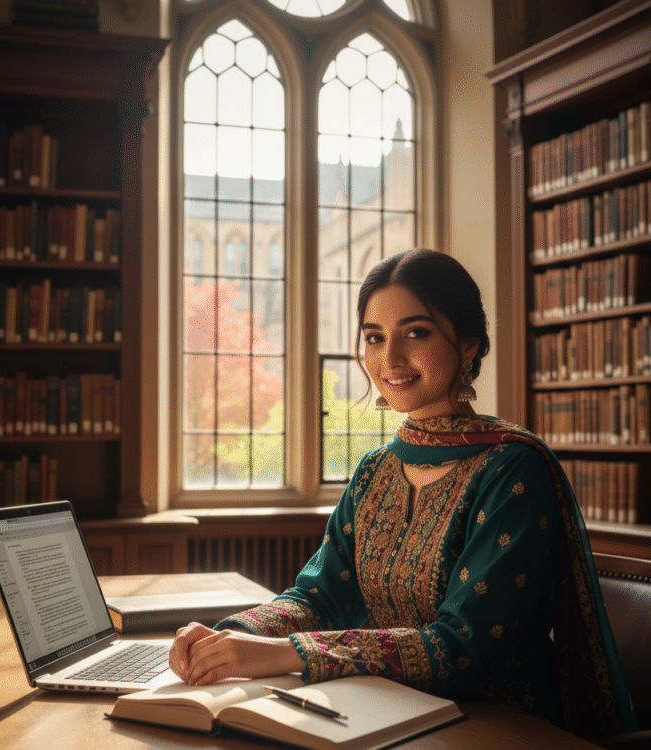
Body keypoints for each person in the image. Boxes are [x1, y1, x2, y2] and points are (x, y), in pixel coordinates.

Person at [169, 249, 637, 738]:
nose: (389, 359)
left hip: (496, 726)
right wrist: (232, 635)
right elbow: (320, 596)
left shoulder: (513, 470)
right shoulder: (376, 470)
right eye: (374, 338)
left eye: (416, 333)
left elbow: (461, 647)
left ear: (469, 343)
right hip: (383, 712)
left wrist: (289, 653)